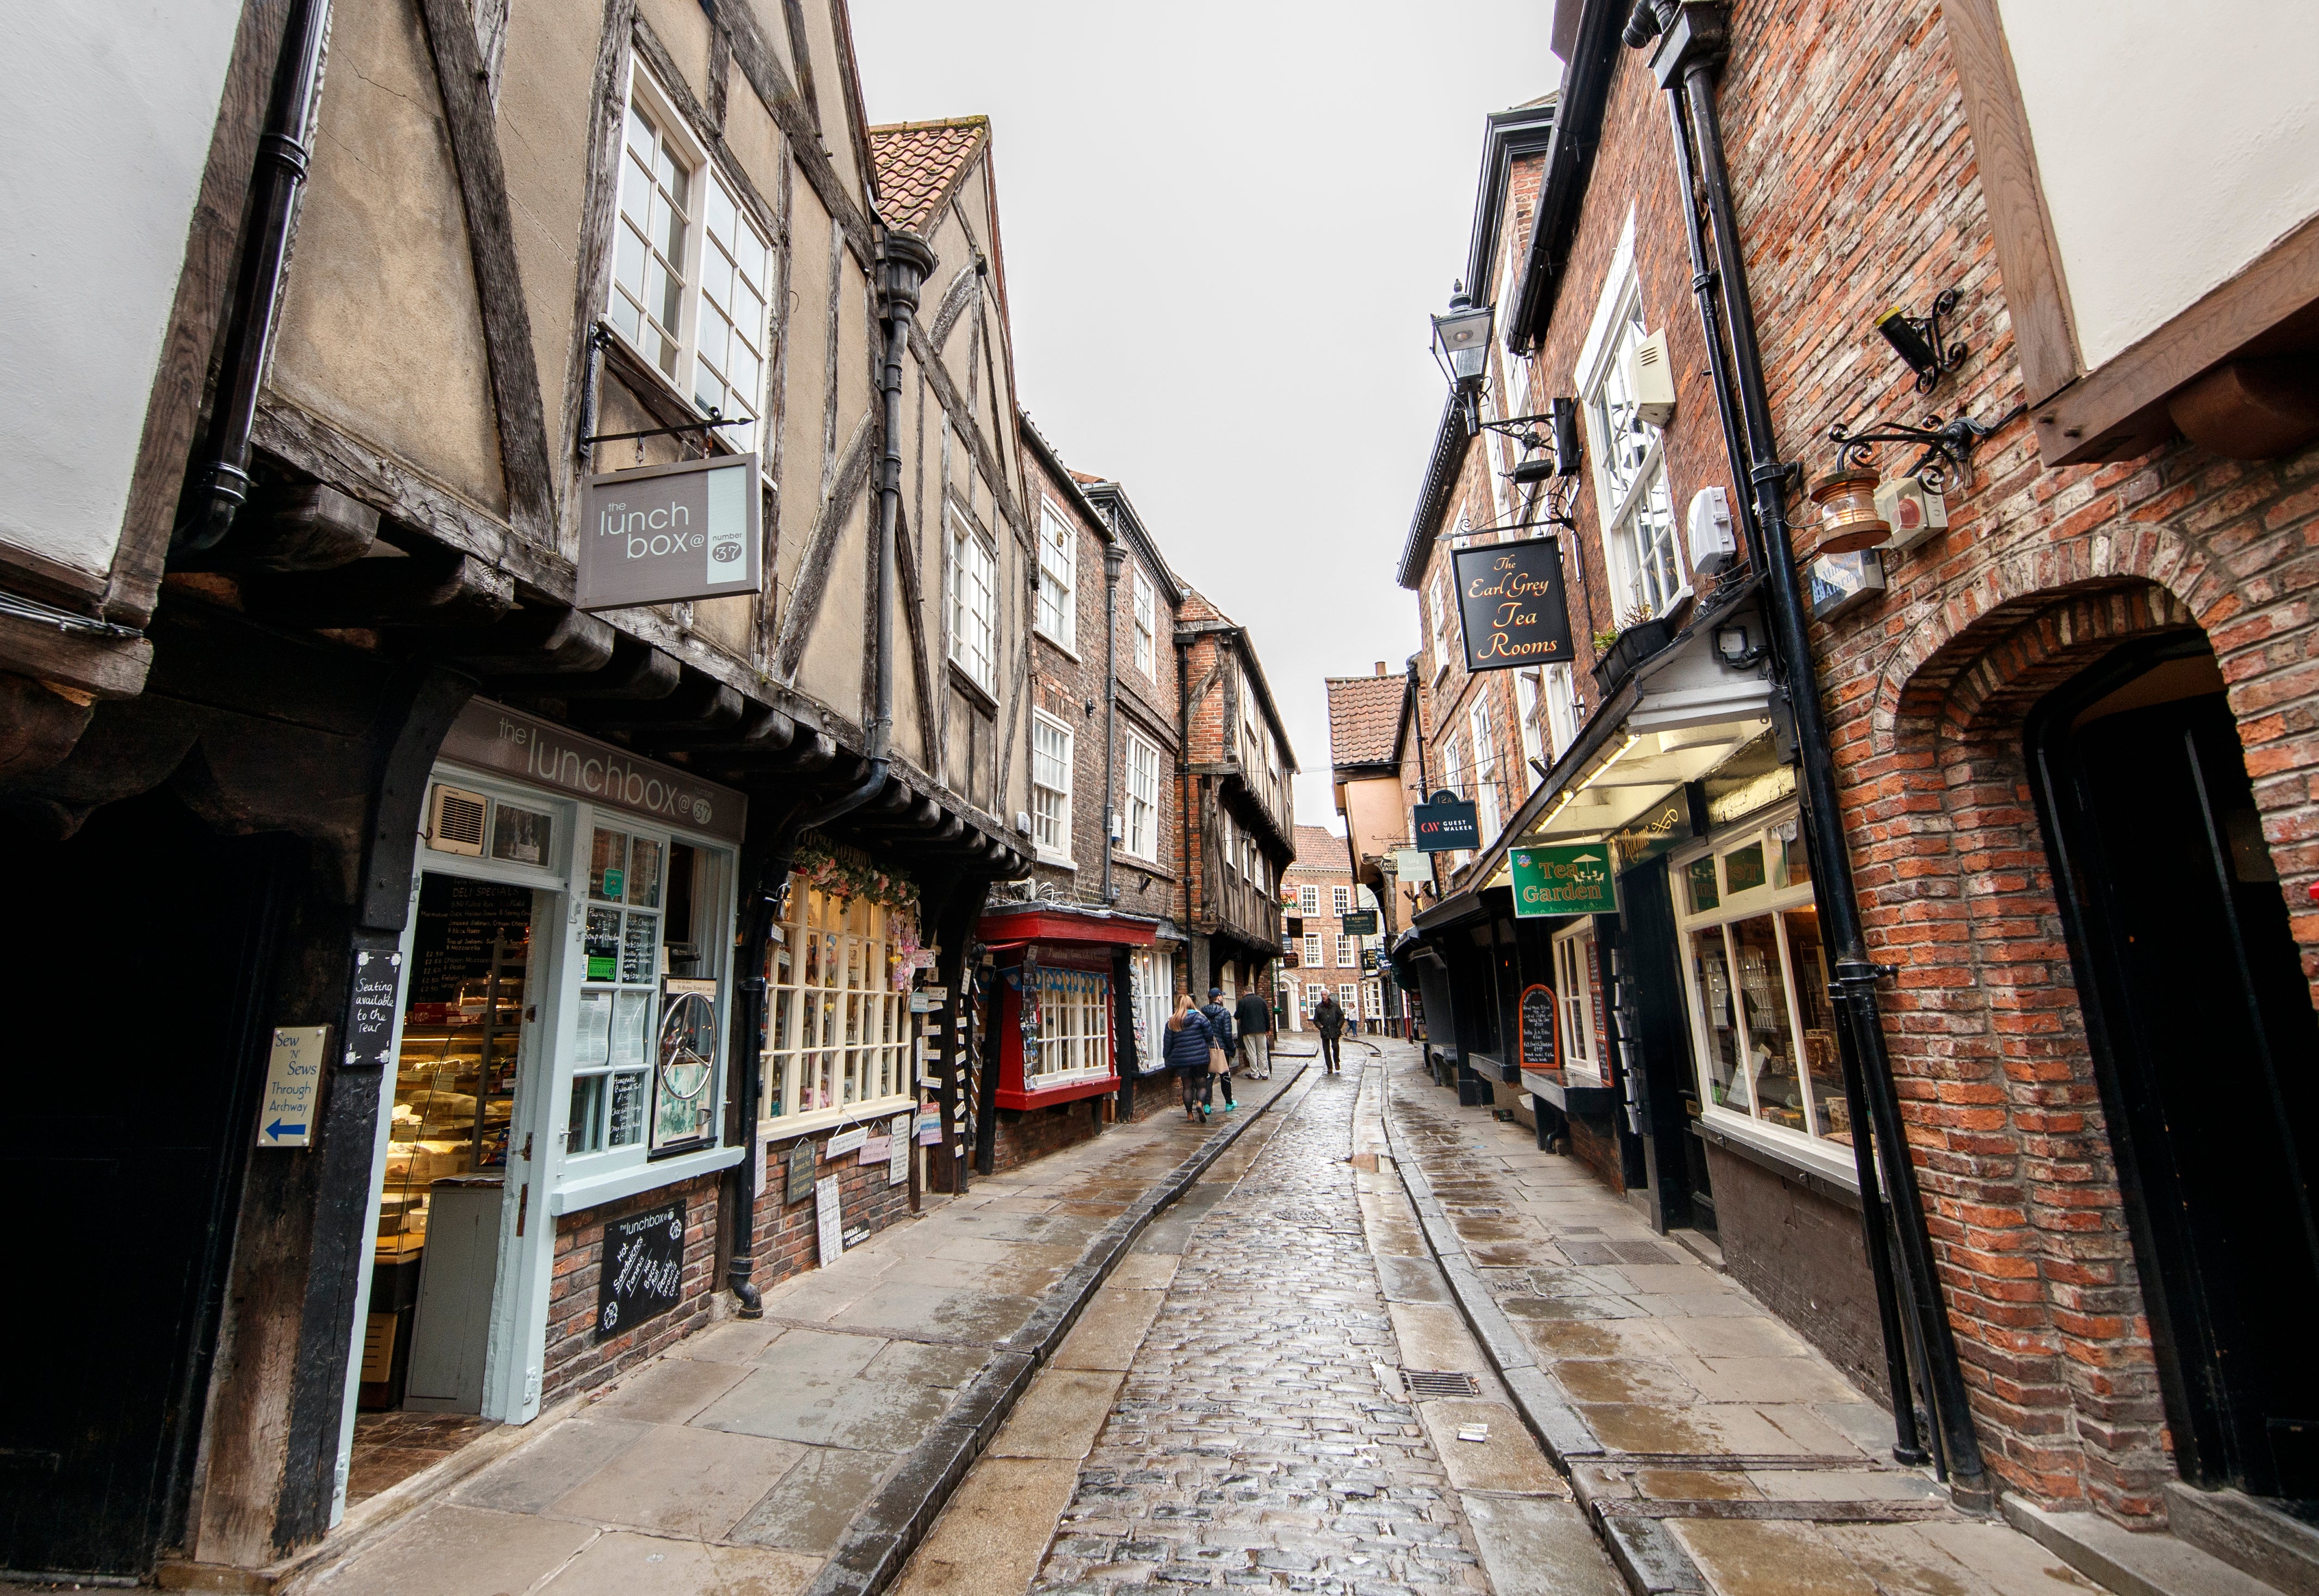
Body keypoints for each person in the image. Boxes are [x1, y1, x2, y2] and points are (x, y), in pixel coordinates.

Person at [1162, 993, 1216, 1123]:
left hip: (1183, 1060)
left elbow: (1168, 1042)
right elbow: (1210, 1036)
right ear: (1192, 1004)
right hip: (1200, 1058)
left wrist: (1166, 1057)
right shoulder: (1201, 1018)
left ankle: (1189, 1114)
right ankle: (1199, 1104)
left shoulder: (1173, 1021)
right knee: (1202, 1085)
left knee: (1187, 1087)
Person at [1200, 987, 1238, 1112]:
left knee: (1208, 1078)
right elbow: (1227, 1034)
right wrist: (1232, 1048)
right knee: (1225, 1076)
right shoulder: (1225, 1013)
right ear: (1219, 997)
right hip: (1222, 1050)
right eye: (1222, 996)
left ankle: (1207, 1106)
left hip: (1207, 1049)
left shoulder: (1202, 1012)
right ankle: (1229, 1103)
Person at [1234, 984, 1273, 1081]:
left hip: (1248, 1031)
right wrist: (1268, 1029)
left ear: (1244, 992)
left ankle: (1255, 1073)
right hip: (1261, 1030)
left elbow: (1237, 1016)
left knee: (1251, 1052)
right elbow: (1267, 1017)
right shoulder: (1261, 1001)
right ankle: (1264, 1073)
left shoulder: (1243, 1002)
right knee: (1262, 1051)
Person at [1313, 990, 1347, 1075]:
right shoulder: (1319, 1008)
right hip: (1325, 1031)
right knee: (1326, 1050)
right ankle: (1329, 1067)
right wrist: (1320, 1027)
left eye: (1325, 995)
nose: (1323, 996)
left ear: (1328, 996)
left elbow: (1341, 1017)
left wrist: (1338, 1026)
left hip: (1335, 1030)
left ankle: (1336, 1060)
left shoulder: (1335, 1006)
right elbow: (1316, 1020)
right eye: (1322, 995)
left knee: (1335, 1046)